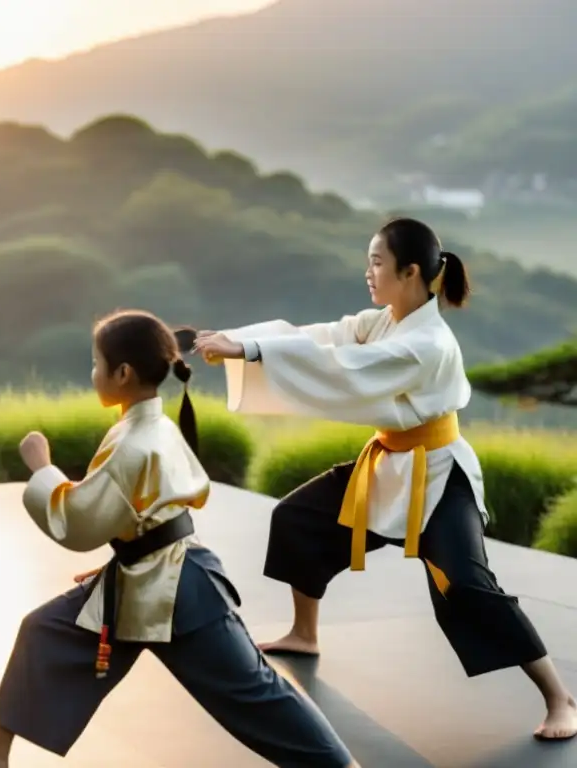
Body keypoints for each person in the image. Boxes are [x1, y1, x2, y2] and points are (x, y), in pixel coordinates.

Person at [193, 216, 577, 741]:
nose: (368, 273)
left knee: (466, 585)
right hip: (390, 461)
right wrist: (237, 339)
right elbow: (325, 336)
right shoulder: (387, 319)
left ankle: (561, 697)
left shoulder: (428, 343)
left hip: (440, 473)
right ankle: (305, 634)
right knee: (297, 518)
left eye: (377, 262)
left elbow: (343, 368)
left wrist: (251, 351)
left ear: (411, 271)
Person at [0, 309, 358, 768]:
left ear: (122, 373)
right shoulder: (146, 425)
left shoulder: (136, 440)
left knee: (256, 692)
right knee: (45, 631)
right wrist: (125, 555)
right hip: (141, 577)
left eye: (96, 363)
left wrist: (42, 468)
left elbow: (80, 520)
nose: (93, 373)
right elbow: (136, 514)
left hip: (180, 593)